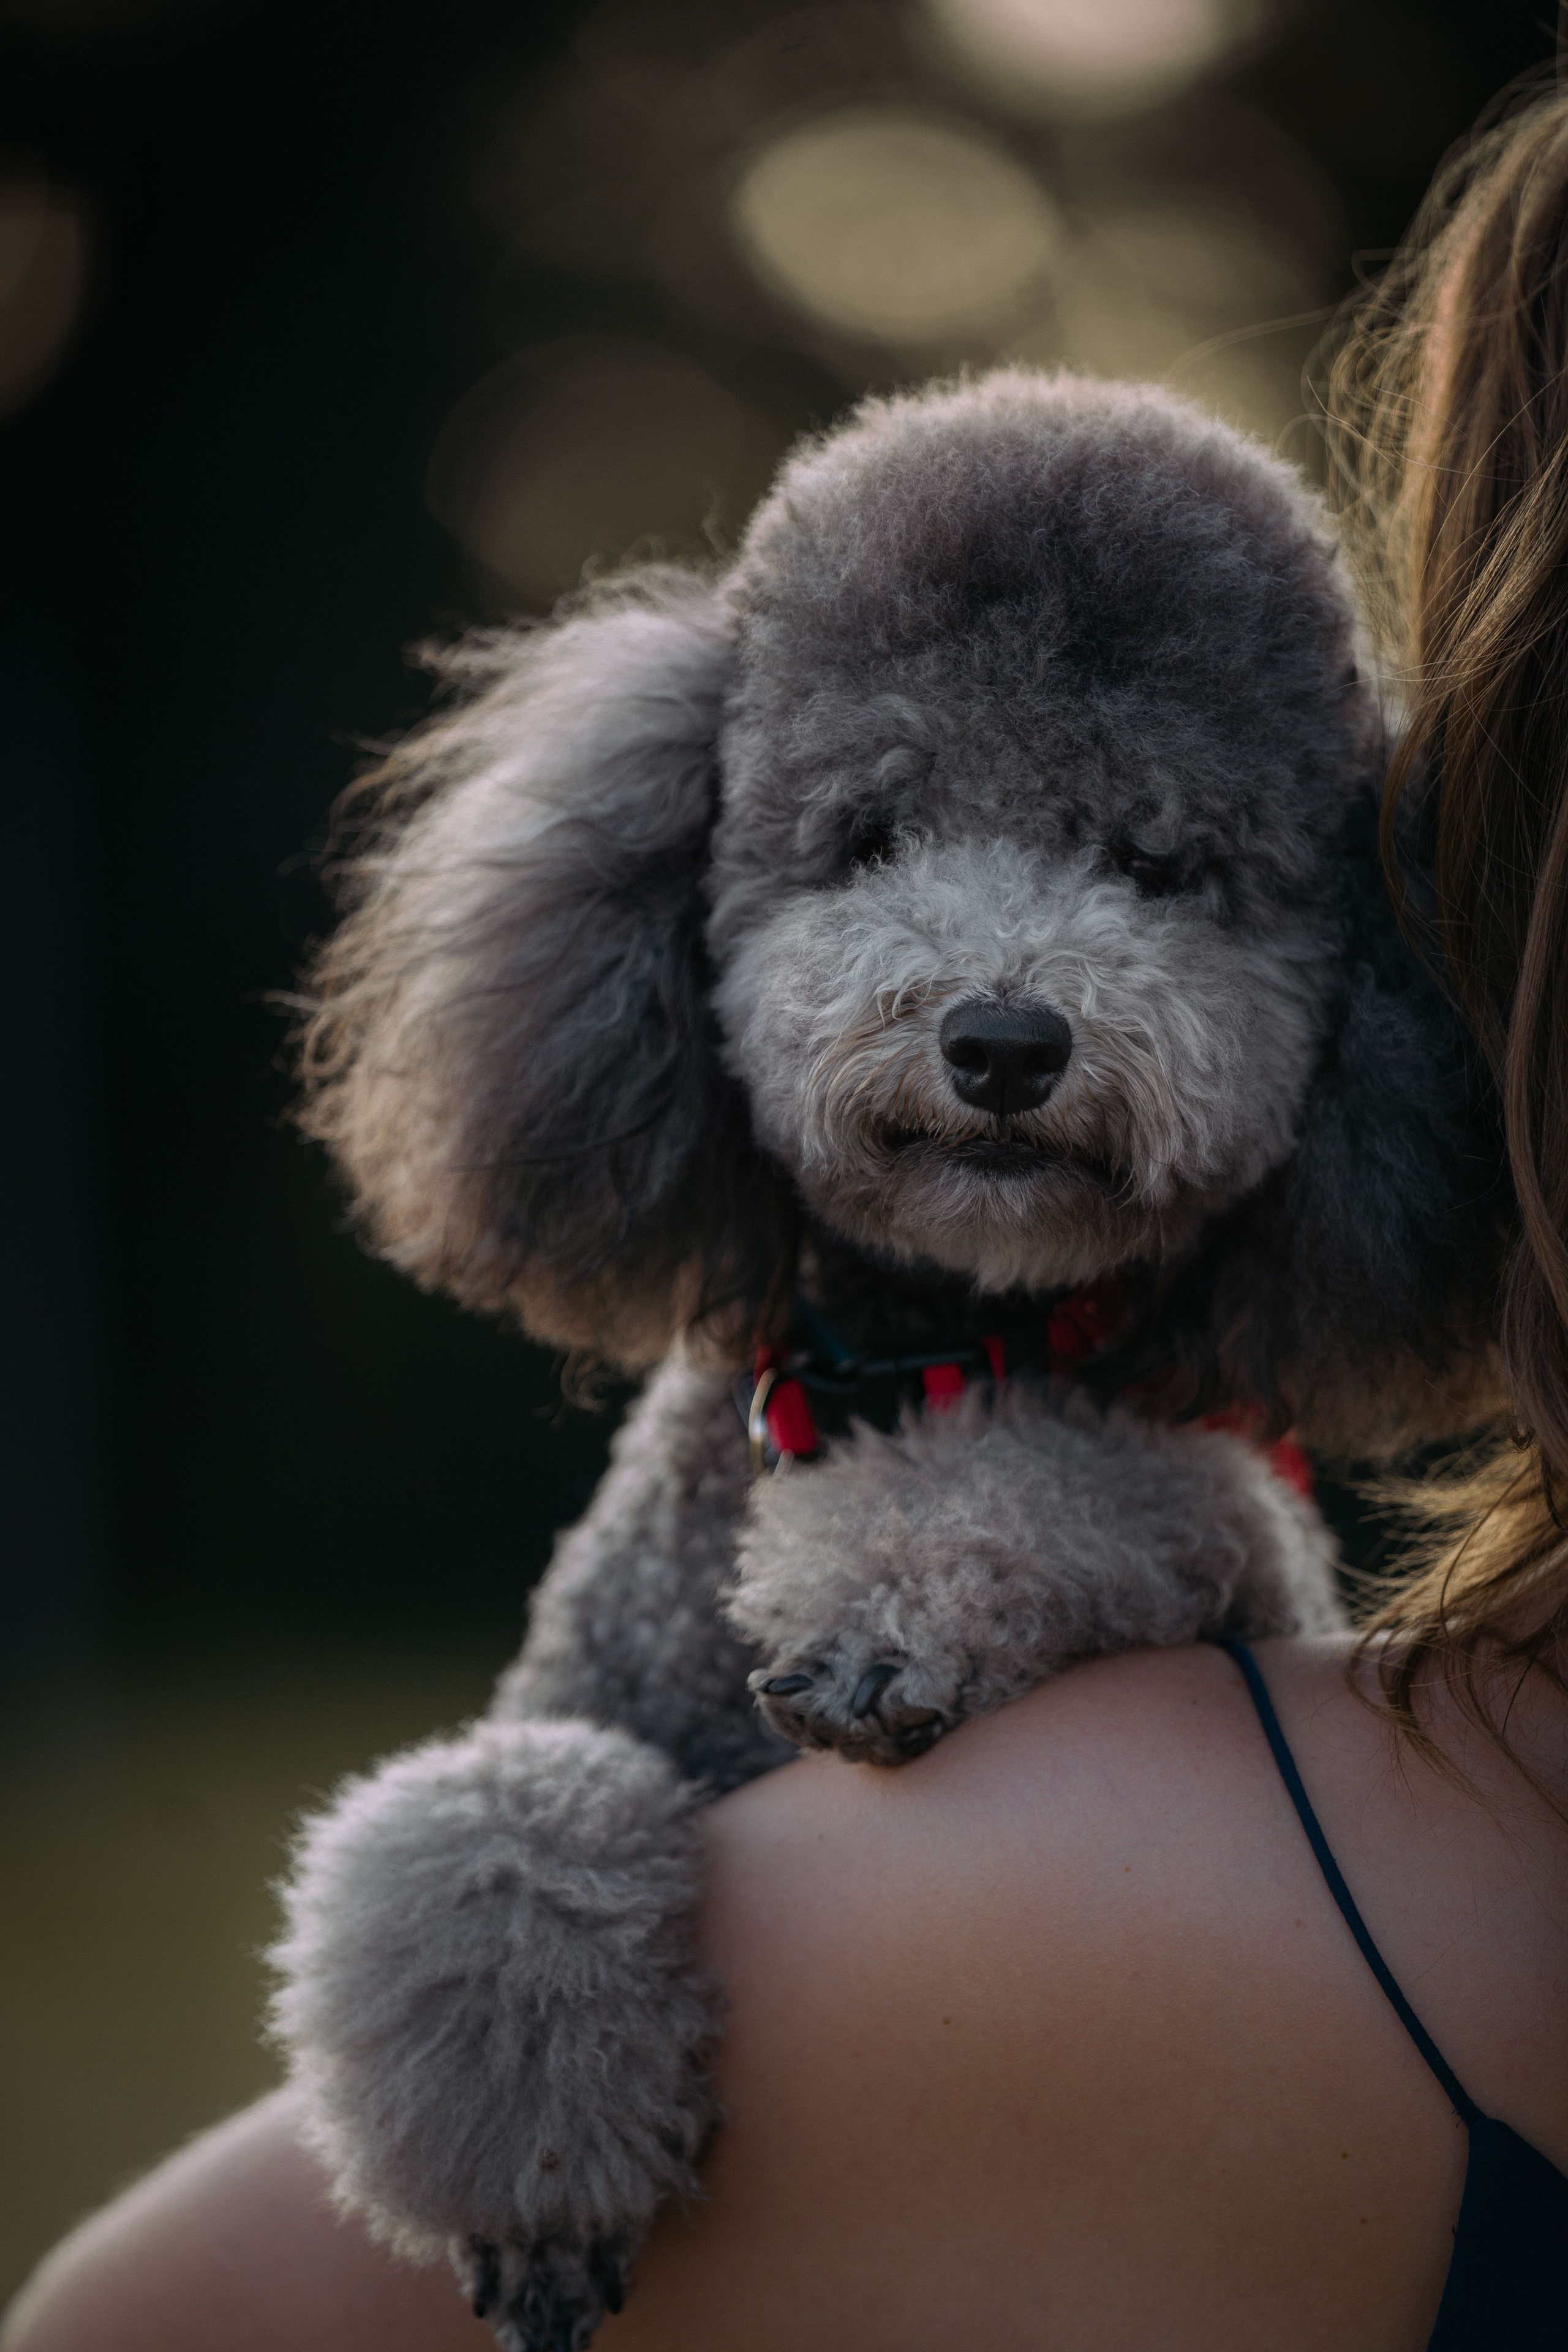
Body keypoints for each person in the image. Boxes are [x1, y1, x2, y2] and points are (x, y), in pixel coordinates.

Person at [10, 78, 1568, 2352]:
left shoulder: (1245, 1714)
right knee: (487, 1825)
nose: (1012, 1007)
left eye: (1158, 875)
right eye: (869, 851)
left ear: (1363, 996)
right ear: (685, 895)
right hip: (647, 1772)